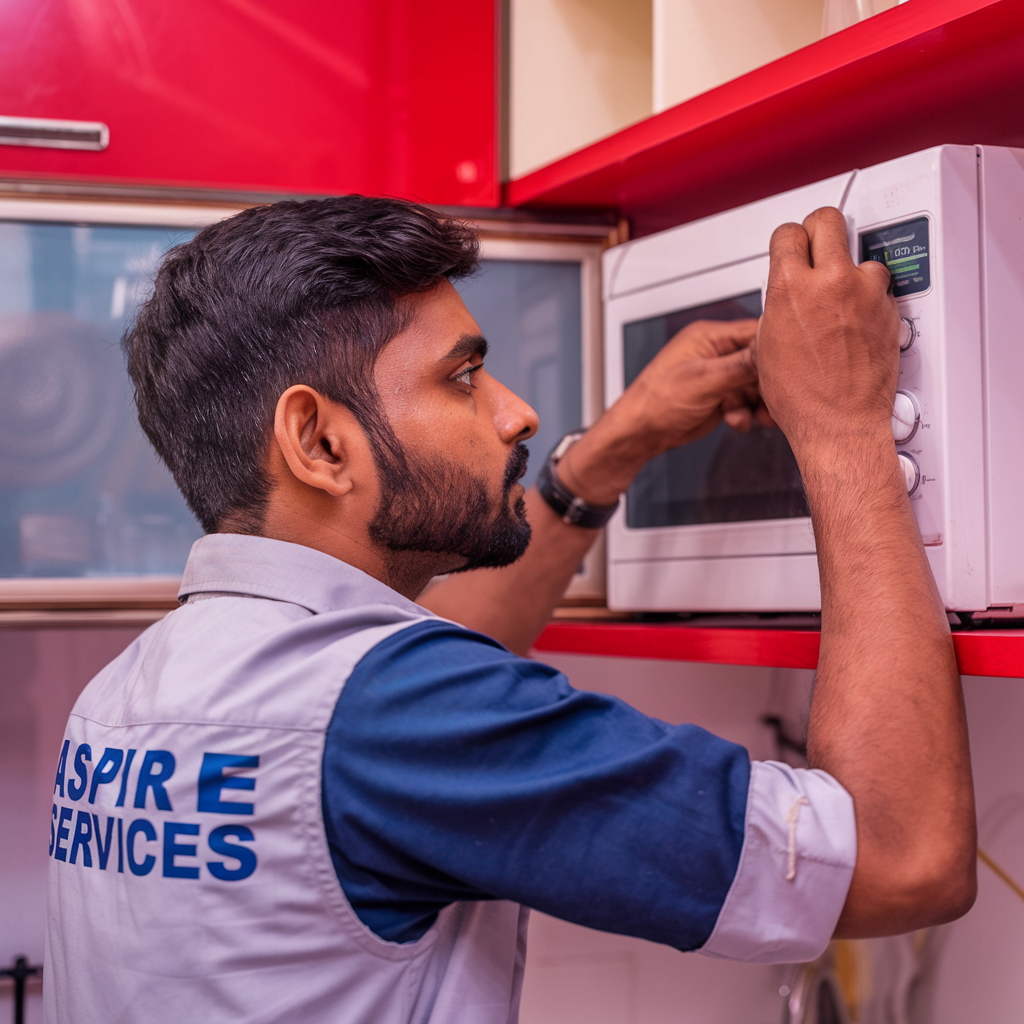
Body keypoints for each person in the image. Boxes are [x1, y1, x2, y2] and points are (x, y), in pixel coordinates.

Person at [44, 197, 976, 1023]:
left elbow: (410, 697)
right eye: (462, 377)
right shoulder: (399, 717)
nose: (519, 413)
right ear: (320, 440)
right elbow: (899, 860)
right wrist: (844, 427)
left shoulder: (136, 691)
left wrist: (610, 452)